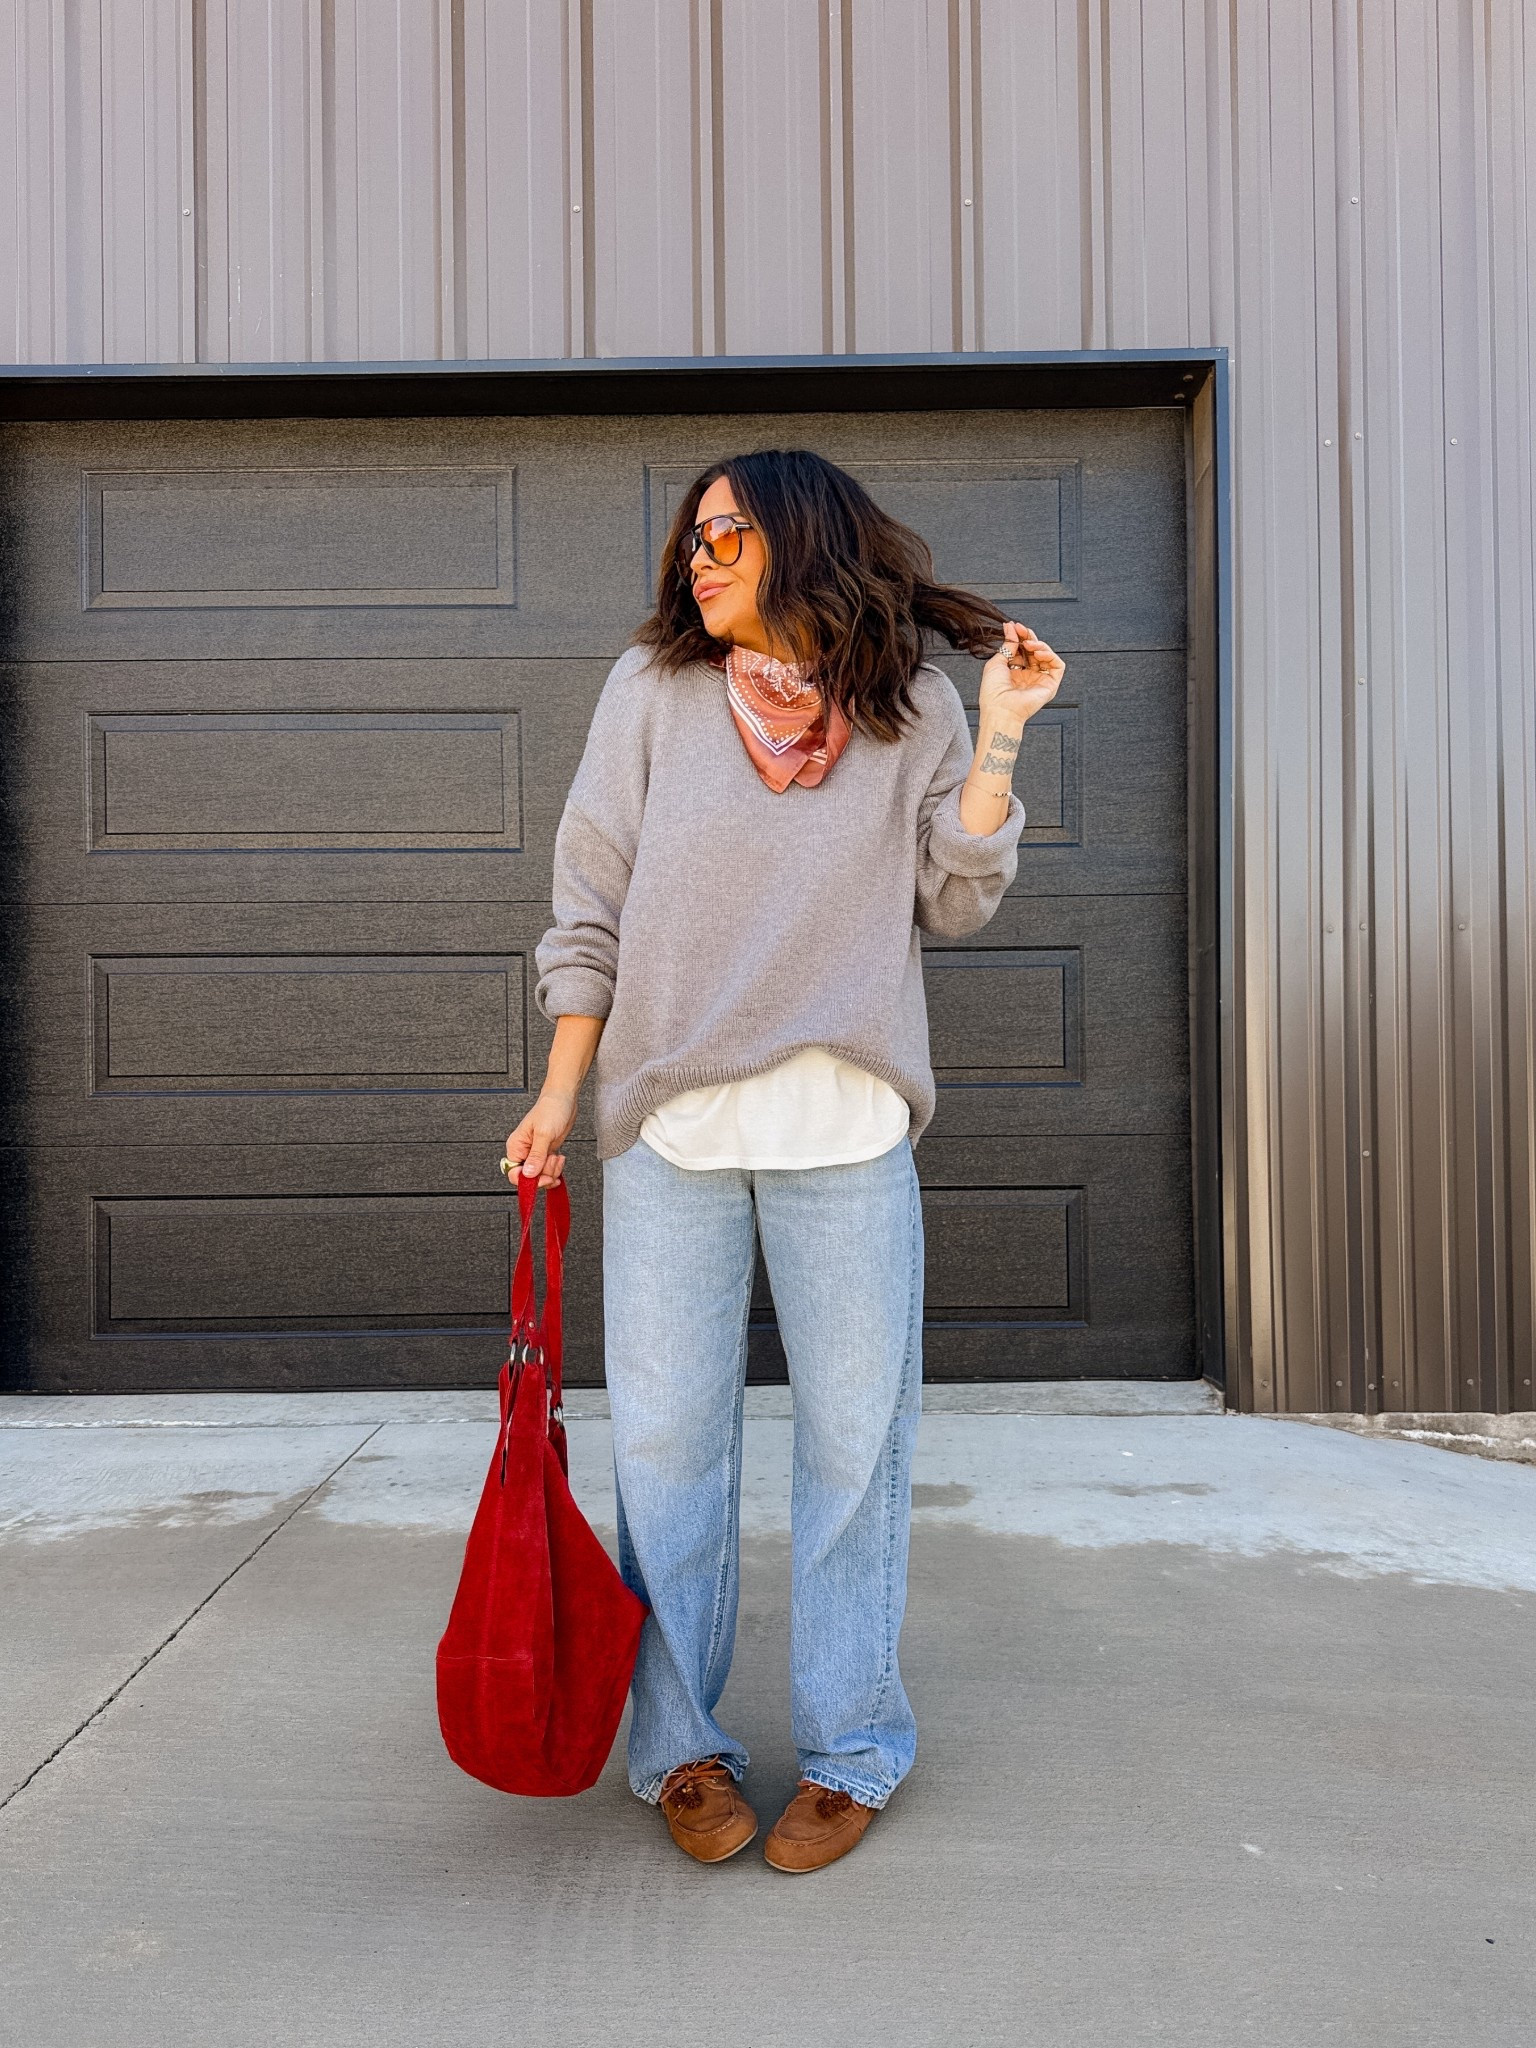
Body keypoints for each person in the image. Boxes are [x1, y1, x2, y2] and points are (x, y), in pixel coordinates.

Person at [505, 448, 1064, 1873]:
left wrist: (998, 733)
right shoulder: (652, 693)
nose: (698, 557)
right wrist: (563, 1094)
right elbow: (590, 904)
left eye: (728, 532)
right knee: (670, 1454)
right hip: (674, 1139)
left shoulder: (911, 710)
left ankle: (854, 1747)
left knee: (854, 1457)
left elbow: (956, 892)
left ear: (803, 537)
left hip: (849, 1139)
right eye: (692, 538)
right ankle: (680, 1748)